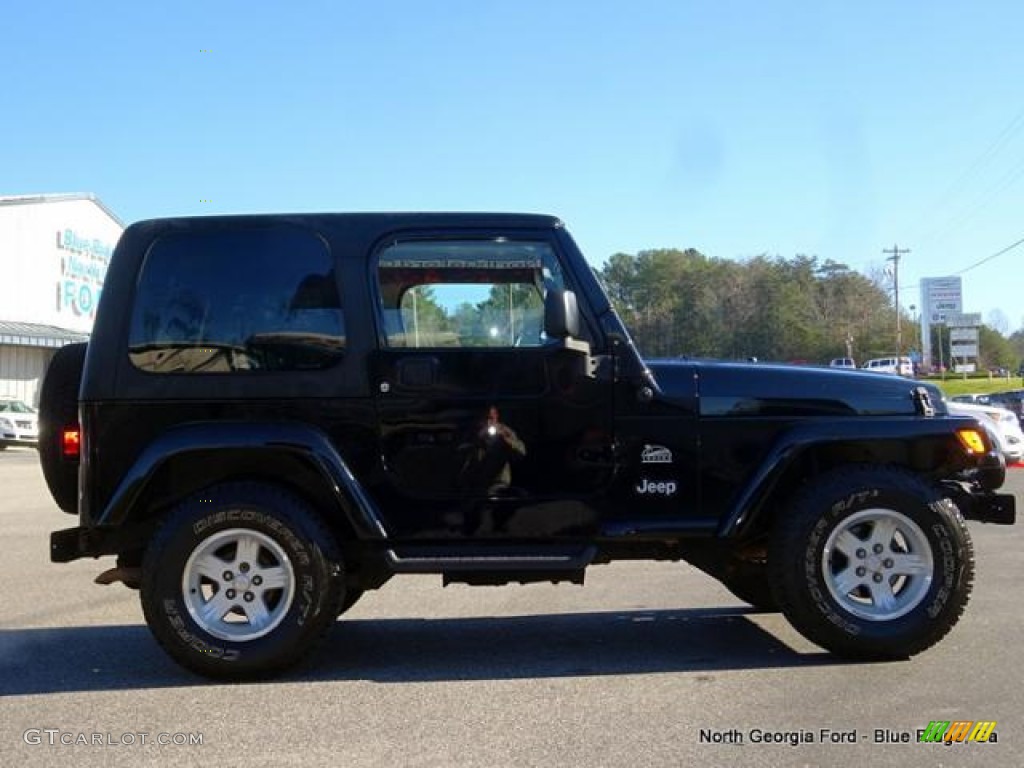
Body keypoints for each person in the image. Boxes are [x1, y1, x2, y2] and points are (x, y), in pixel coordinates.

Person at [460, 406, 526, 494]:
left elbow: (521, 452)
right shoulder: (471, 432)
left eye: (491, 418)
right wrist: (477, 442)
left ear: (496, 416)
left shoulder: (504, 431)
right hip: (474, 484)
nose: (488, 422)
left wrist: (505, 440)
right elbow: (460, 451)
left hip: (497, 484)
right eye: (485, 418)